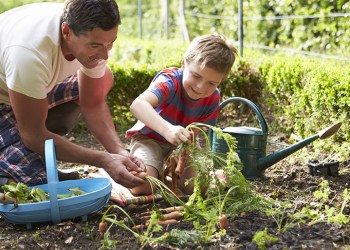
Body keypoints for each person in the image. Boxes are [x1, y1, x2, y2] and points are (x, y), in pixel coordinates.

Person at [0, 0, 146, 189]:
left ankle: (36, 151)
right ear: (67, 31)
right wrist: (103, 160)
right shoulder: (29, 54)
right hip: (5, 98)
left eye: (111, 43)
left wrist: (119, 152)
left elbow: (92, 103)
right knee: (35, 186)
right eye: (95, 45)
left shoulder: (93, 37)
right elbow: (33, 134)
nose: (105, 54)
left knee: (103, 78)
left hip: (24, 88)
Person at [126, 34, 237, 195]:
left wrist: (182, 153)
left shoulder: (213, 98)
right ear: (184, 63)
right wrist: (167, 130)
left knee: (197, 188)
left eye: (212, 83)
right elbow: (138, 105)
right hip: (149, 139)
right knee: (142, 186)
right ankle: (143, 168)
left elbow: (194, 133)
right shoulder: (169, 81)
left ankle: (169, 174)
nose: (200, 87)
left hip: (181, 145)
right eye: (196, 76)